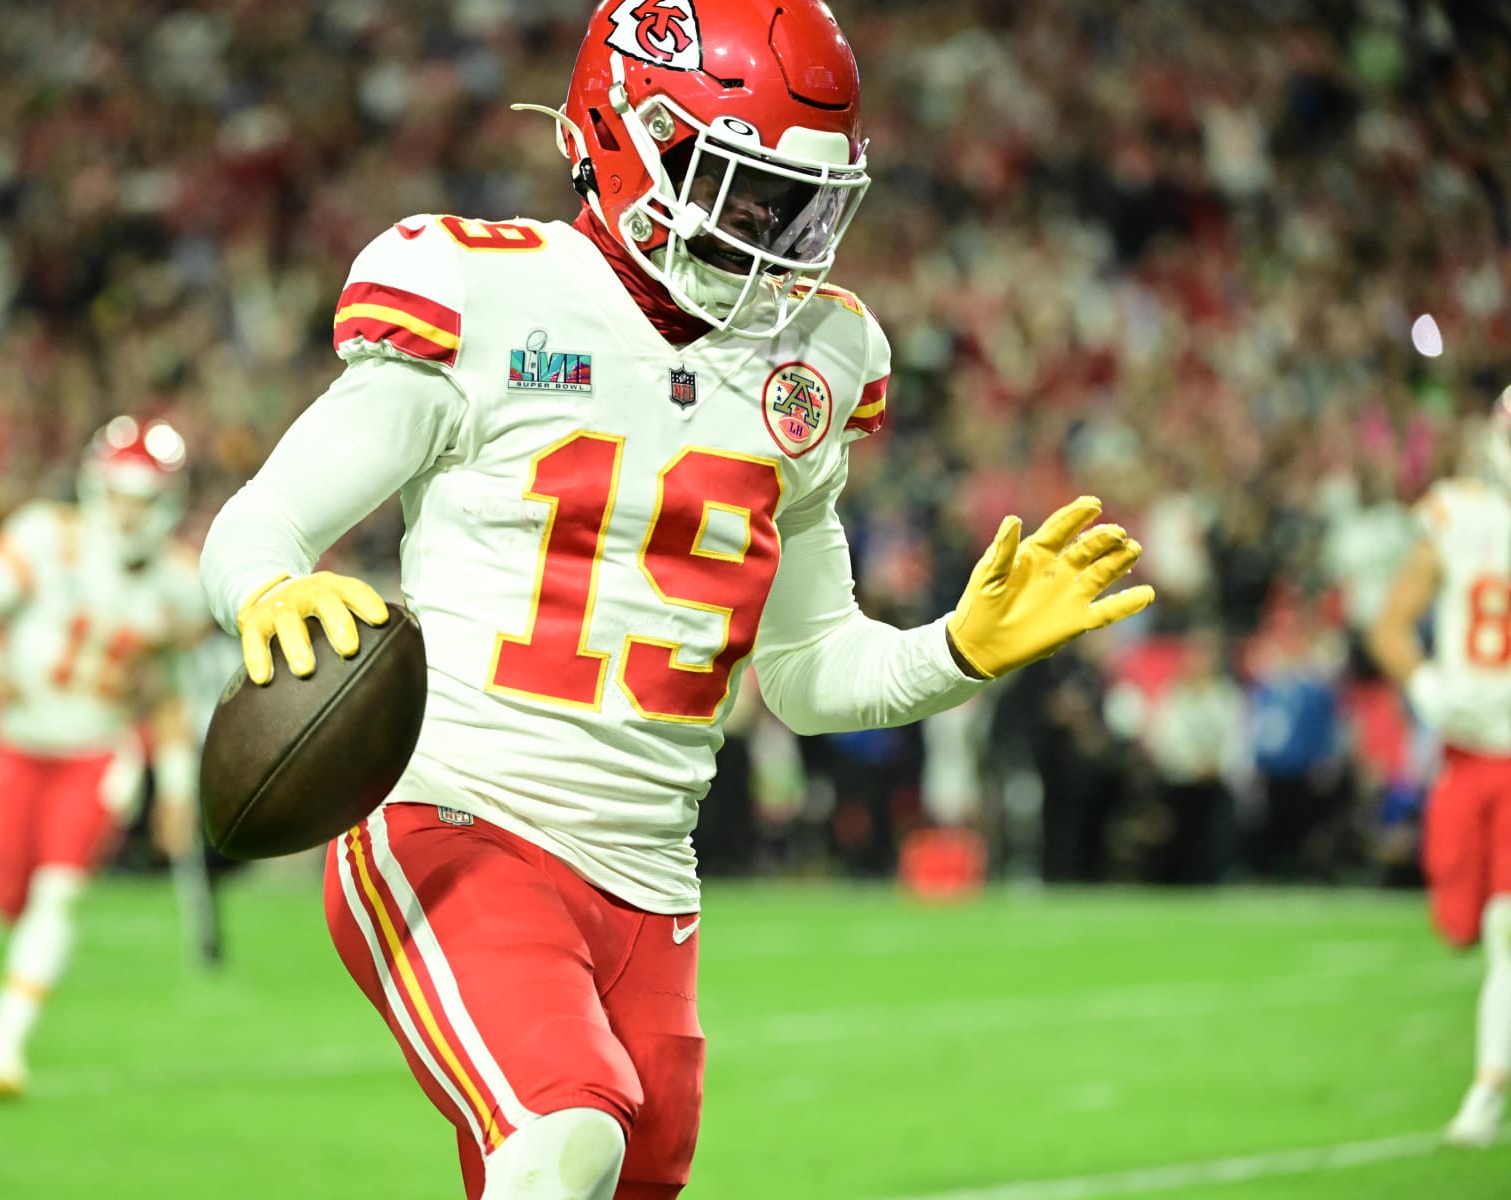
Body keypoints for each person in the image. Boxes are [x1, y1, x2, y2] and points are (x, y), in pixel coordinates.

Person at [199, 3, 1154, 1196]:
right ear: (622, 133)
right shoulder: (486, 296)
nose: (772, 238)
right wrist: (269, 592)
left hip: (652, 880)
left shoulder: (820, 357)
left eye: (799, 205)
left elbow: (805, 673)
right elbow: (261, 519)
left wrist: (956, 650)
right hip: (457, 816)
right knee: (565, 1138)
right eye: (740, 190)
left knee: (614, 1171)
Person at [0, 416, 207, 1098]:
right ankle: (7, 1029)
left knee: (58, 896)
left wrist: (175, 784)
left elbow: (165, 696)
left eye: (144, 497)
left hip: (96, 752)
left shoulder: (179, 585)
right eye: (121, 493)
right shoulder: (48, 540)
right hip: (20, 745)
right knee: (9, 900)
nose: (130, 511)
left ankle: (1, 1049)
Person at [1370, 386, 1511, 1149]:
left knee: (1505, 930)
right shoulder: (1459, 515)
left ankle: (1485, 1095)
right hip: (1466, 756)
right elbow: (1391, 621)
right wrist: (1425, 686)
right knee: (1460, 924)